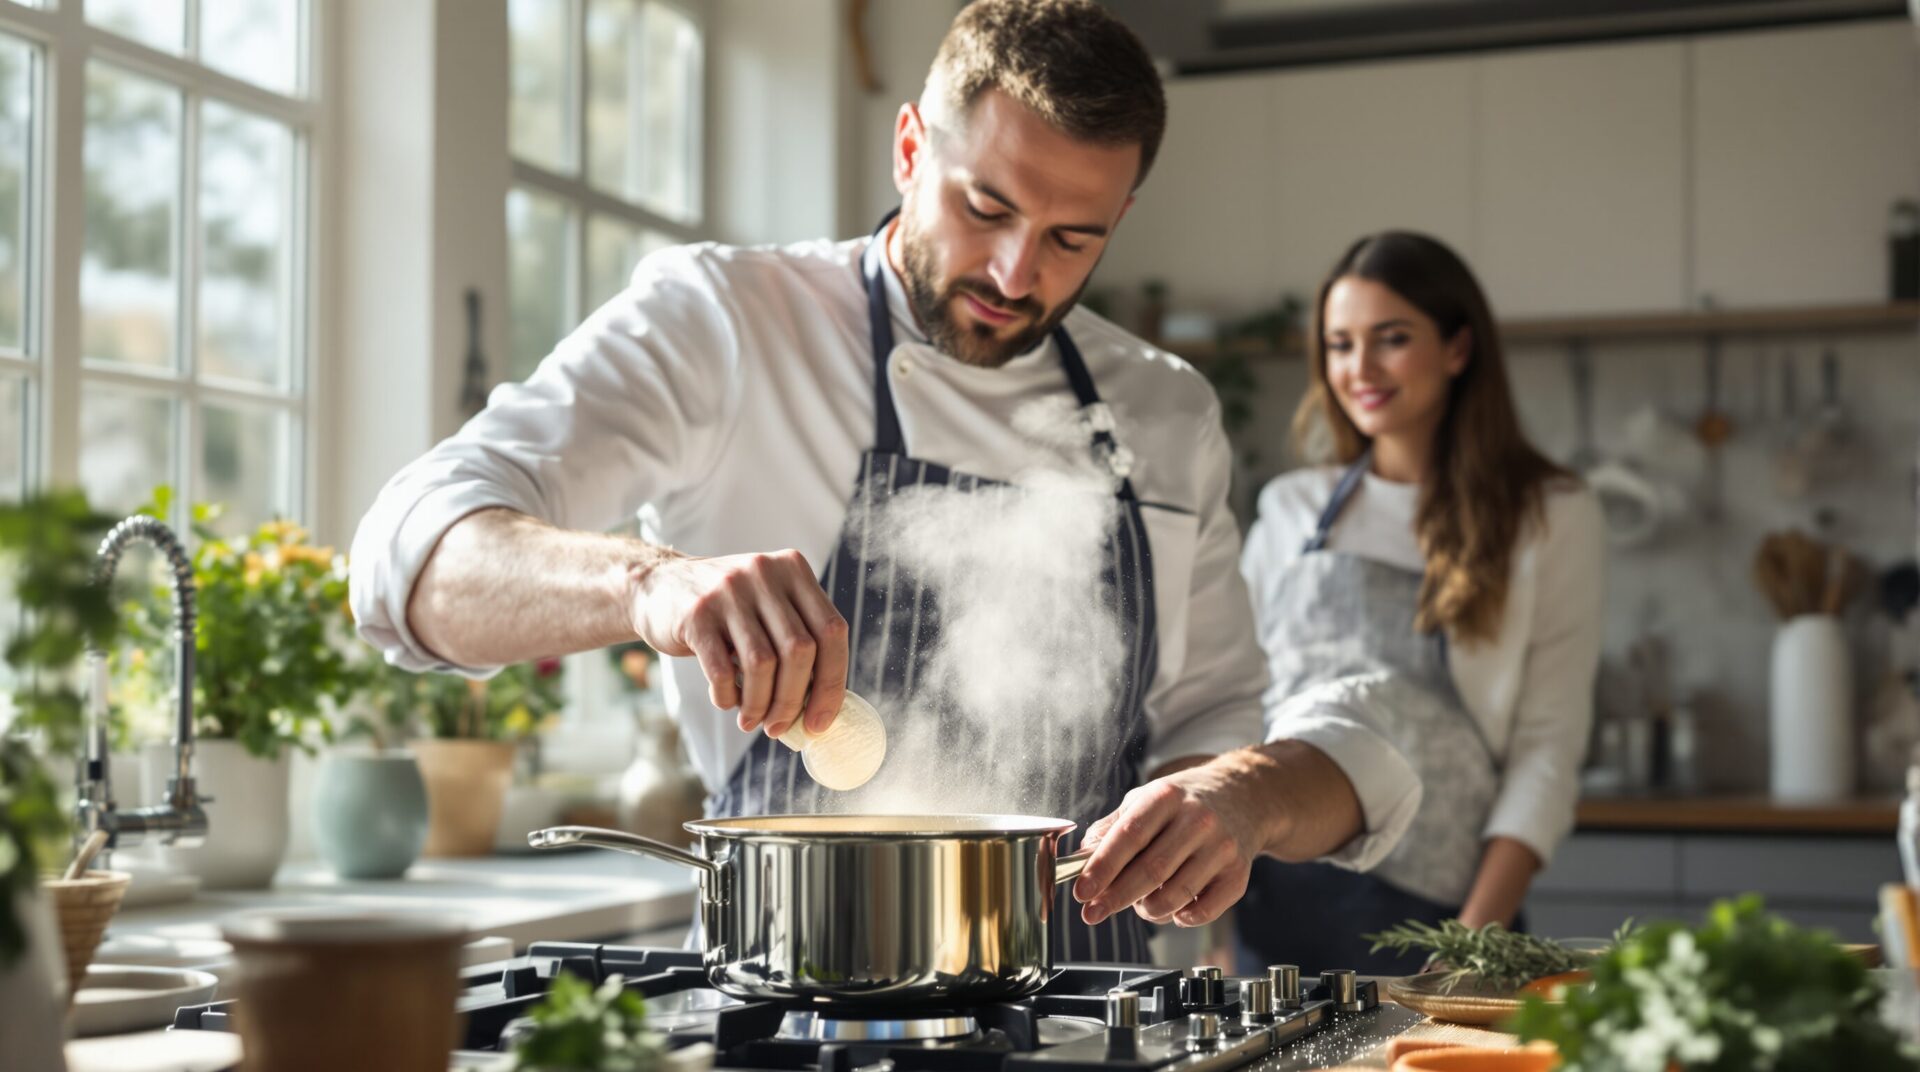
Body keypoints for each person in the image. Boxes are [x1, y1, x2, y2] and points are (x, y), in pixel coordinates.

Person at [349, 0, 1374, 961]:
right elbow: (404, 565)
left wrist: (1221, 806)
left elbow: (1212, 714)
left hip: (1081, 1002)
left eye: (1073, 239)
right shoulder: (729, 324)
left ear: (1123, 214)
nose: (1017, 275)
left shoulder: (1166, 410)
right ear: (909, 148)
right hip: (796, 991)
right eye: (986, 207)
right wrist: (645, 584)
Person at [1227, 231, 1604, 975]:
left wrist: (1470, 942)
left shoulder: (1551, 513)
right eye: (1339, 344)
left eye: (1391, 339)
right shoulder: (1292, 509)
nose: (1359, 369)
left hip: (1447, 913)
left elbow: (1547, 750)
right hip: (1275, 900)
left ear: (1459, 349)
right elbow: (1240, 705)